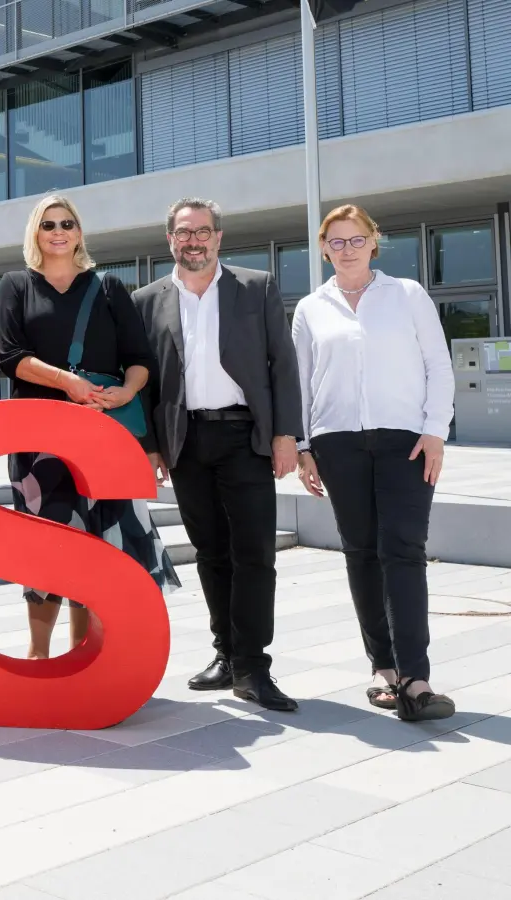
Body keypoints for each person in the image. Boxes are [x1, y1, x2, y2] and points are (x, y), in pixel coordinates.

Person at [132, 198, 301, 713]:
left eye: (203, 231)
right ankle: (226, 654)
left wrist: (286, 435)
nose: (194, 241)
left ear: (219, 237)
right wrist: (152, 445)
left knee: (254, 552)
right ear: (170, 240)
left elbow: (283, 364)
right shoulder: (147, 299)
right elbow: (145, 381)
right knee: (210, 551)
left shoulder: (256, 286)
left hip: (245, 436)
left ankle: (253, 666)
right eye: (184, 233)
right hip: (186, 441)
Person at [0, 193, 179, 660]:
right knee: (47, 547)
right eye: (49, 224)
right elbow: (9, 358)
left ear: (79, 232)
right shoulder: (17, 285)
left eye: (68, 224)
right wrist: (67, 382)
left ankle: (83, 655)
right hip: (37, 438)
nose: (59, 232)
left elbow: (140, 360)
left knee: (97, 544)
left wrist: (127, 391)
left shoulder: (109, 288)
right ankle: (39, 655)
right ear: (35, 232)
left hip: (101, 436)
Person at [294, 204, 455, 721]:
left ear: (373, 242)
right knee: (361, 552)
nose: (346, 249)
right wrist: (302, 446)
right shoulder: (310, 307)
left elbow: (438, 364)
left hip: (404, 440)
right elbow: (300, 381)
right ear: (323, 248)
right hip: (336, 441)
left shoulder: (406, 294)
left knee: (403, 550)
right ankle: (384, 670)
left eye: (355, 239)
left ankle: (417, 676)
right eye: (336, 242)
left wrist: (435, 431)